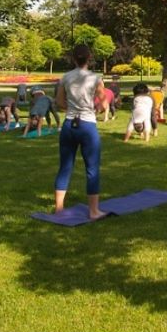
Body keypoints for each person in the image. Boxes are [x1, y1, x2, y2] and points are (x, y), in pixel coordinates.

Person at [53, 44, 107, 219]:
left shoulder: (66, 77)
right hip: (87, 126)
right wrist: (95, 109)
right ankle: (93, 211)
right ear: (89, 58)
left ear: (73, 58)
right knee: (92, 168)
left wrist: (72, 109)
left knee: (65, 167)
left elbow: (59, 101)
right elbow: (103, 102)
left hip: (69, 125)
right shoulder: (95, 78)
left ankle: (59, 209)